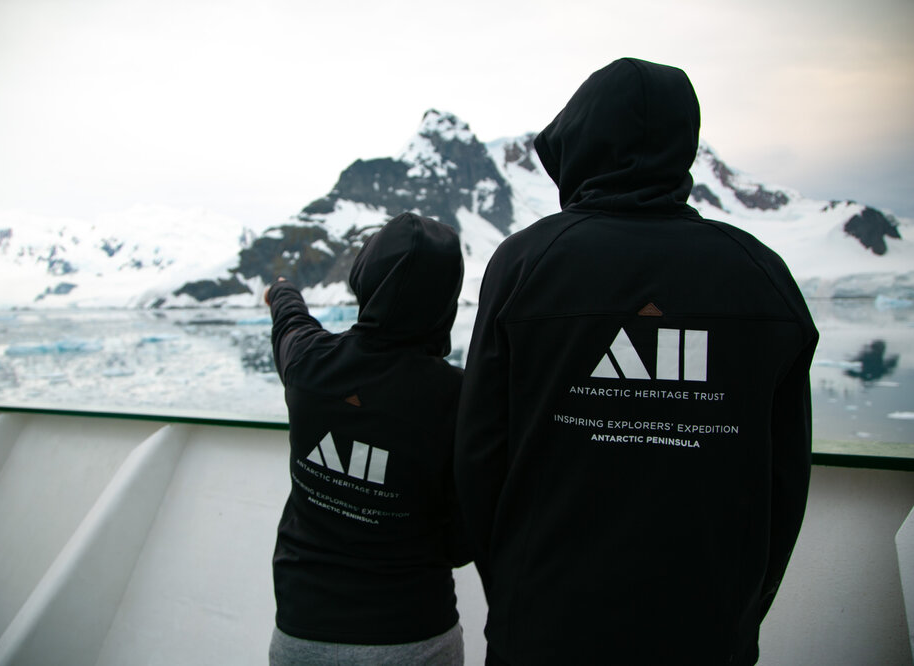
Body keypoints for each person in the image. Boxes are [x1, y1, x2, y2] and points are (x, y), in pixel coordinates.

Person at [454, 57, 818, 665]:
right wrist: (740, 608)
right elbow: (786, 480)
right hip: (706, 632)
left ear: (580, 141)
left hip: (545, 625)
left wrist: (514, 589)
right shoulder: (762, 276)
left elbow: (478, 455)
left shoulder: (526, 264)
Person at [264, 212, 469, 665]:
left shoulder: (310, 362)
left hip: (301, 630)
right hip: (414, 635)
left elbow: (289, 320)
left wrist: (280, 290)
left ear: (365, 278)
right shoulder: (460, 398)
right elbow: (465, 539)